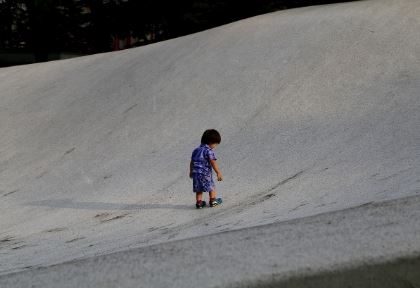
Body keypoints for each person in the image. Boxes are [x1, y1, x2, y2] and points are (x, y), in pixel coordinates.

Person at [190, 129, 223, 209]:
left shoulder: (196, 150)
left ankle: (199, 203)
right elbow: (213, 162)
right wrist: (218, 172)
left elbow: (191, 162)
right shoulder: (209, 151)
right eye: (215, 144)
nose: (215, 146)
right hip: (205, 174)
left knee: (198, 188)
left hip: (196, 173)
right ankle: (213, 201)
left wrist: (191, 171)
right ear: (211, 142)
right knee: (211, 186)